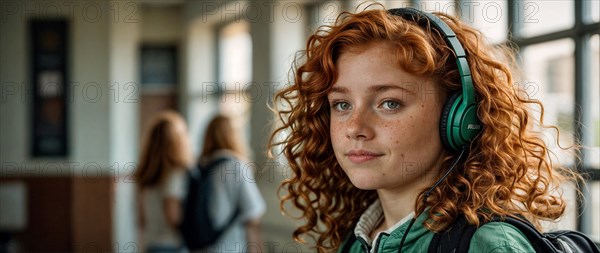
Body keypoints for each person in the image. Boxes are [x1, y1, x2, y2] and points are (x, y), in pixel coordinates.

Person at [269, 5, 583, 253]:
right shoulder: (356, 239)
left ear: (458, 118)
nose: (355, 128)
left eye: (389, 103)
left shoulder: (487, 243)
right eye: (342, 104)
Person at [198, 115, 266, 252]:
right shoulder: (236, 166)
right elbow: (253, 215)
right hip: (231, 246)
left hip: (201, 246)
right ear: (234, 136)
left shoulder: (199, 167)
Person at [135, 110, 193, 253]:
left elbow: (141, 217)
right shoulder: (175, 173)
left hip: (151, 242)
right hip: (172, 245)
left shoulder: (146, 175)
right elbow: (172, 214)